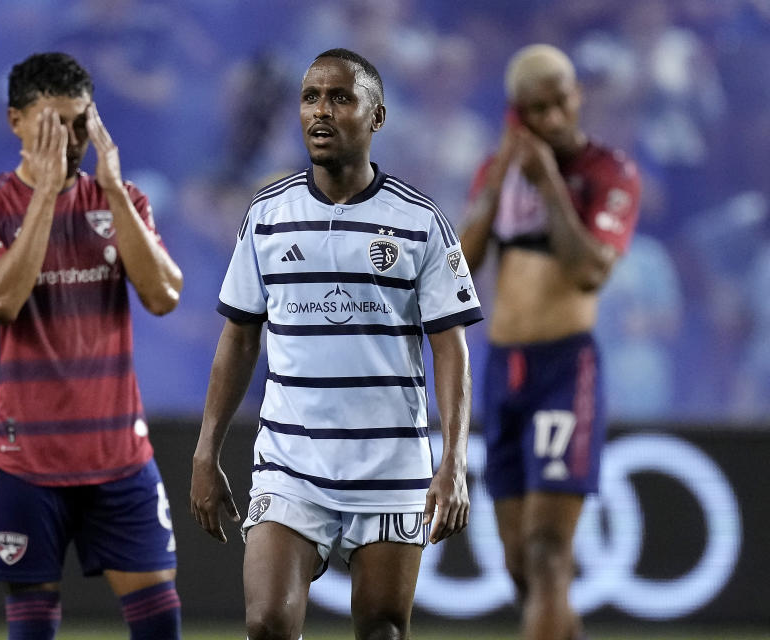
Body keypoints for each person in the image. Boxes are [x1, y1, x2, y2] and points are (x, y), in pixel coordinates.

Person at [191, 48, 483, 640]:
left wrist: (452, 458)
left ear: (376, 117)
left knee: (382, 632)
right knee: (268, 625)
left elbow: (449, 346)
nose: (321, 111)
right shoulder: (268, 215)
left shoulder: (420, 222)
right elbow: (239, 338)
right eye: (310, 97)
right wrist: (205, 452)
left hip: (391, 465)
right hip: (291, 461)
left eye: (341, 98)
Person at [0, 52, 184, 640]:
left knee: (161, 628)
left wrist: (112, 190)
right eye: (53, 123)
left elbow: (164, 295)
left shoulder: (119, 199)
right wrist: (46, 197)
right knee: (32, 632)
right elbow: (0, 300)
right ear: (15, 121)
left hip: (120, 457)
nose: (70, 138)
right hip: (26, 458)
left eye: (80, 122)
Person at [458, 44, 641, 640]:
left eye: (561, 101)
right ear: (519, 114)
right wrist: (505, 174)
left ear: (576, 93)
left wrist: (549, 184)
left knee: (547, 550)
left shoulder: (607, 171)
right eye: (538, 110)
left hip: (565, 366)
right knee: (520, 563)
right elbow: (465, 263)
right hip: (502, 367)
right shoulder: (498, 169)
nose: (555, 118)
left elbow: (590, 271)